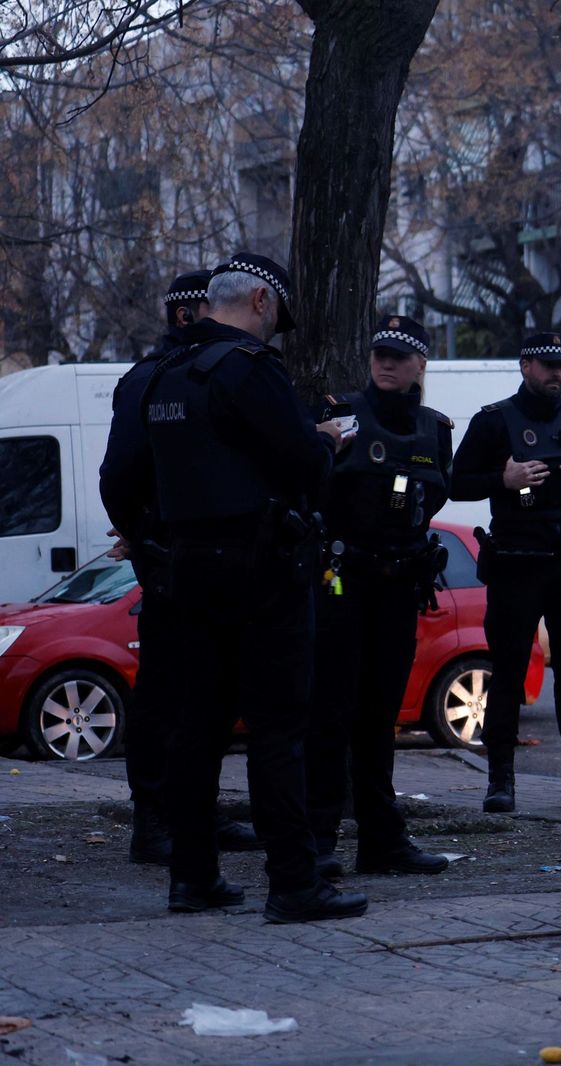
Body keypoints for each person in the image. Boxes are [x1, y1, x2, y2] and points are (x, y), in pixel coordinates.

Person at [123, 252, 367, 923]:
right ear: (260, 301)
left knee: (194, 728)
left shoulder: (161, 376)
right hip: (263, 573)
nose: (275, 332)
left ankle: (192, 878)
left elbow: (121, 478)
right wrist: (326, 444)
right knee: (277, 728)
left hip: (186, 573)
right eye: (276, 317)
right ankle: (293, 882)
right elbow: (299, 463)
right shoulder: (249, 370)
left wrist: (155, 550)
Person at [101, 271, 259, 865]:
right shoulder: (160, 379)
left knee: (204, 692)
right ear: (191, 316)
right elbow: (119, 475)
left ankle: (193, 814)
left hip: (186, 552)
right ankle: (156, 822)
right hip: (178, 555)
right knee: (170, 692)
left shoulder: (197, 373)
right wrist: (147, 538)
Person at [305, 315, 453, 879]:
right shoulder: (338, 414)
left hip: (398, 587)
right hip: (343, 583)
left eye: (398, 356)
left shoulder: (435, 429)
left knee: (380, 716)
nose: (386, 364)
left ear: (420, 365)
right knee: (330, 712)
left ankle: (381, 840)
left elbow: (438, 496)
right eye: (379, 354)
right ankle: (317, 839)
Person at [449, 331, 561, 813]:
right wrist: (502, 480)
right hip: (515, 565)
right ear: (525, 366)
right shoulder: (494, 421)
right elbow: (455, 483)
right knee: (505, 675)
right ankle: (500, 782)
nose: (556, 374)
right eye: (547, 366)